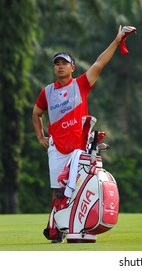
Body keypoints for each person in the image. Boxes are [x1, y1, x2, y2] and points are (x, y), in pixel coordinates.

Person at [32, 25, 130, 243]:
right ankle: (56, 228)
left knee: (78, 188)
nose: (60, 67)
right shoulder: (47, 91)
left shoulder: (81, 85)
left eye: (64, 63)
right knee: (57, 189)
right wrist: (40, 137)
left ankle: (76, 226)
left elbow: (100, 62)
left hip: (79, 149)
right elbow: (37, 113)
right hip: (57, 148)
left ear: (72, 67)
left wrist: (116, 41)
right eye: (57, 64)